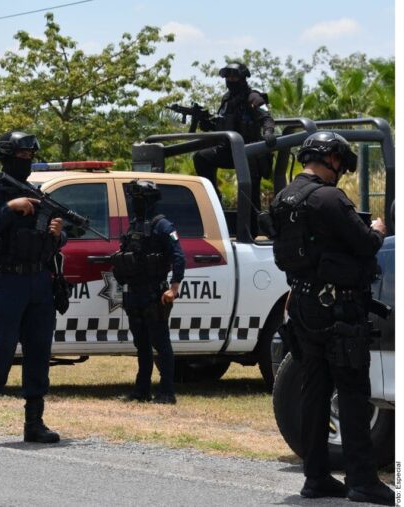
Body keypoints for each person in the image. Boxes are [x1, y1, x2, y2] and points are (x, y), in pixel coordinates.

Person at [267, 132, 393, 505]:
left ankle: (316, 477)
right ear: (332, 159)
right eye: (340, 162)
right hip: (337, 308)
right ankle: (362, 481)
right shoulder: (329, 198)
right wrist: (377, 230)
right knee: (353, 393)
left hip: (303, 305)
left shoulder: (284, 198)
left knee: (315, 392)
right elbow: (366, 244)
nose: (340, 170)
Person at [0, 130, 65, 445]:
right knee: (0, 350)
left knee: (39, 352)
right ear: (7, 157)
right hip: (6, 282)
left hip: (38, 281)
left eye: (30, 157)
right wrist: (10, 209)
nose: (26, 162)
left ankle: (34, 423)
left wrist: (57, 233)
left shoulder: (39, 195)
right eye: (21, 157)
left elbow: (52, 244)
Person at [110, 180, 185, 404]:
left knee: (161, 344)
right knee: (141, 344)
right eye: (134, 198)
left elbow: (179, 256)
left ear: (149, 201)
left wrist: (174, 288)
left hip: (154, 293)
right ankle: (142, 390)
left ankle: (167, 391)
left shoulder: (163, 226)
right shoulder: (134, 225)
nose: (135, 203)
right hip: (134, 293)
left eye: (139, 199)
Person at [193, 62, 276, 234]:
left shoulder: (253, 97)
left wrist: (268, 132)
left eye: (234, 76)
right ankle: (214, 197)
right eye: (228, 77)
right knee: (201, 157)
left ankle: (251, 231)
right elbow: (222, 125)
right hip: (228, 150)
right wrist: (206, 123)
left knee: (250, 193)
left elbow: (267, 117)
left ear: (243, 78)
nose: (230, 80)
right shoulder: (226, 99)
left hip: (249, 153)